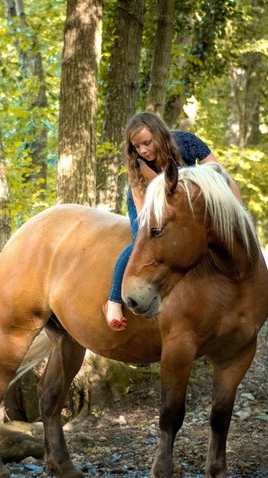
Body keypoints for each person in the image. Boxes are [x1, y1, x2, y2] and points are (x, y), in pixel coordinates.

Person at [103, 112, 244, 331]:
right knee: (141, 242)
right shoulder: (139, 164)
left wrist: (240, 212)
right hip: (148, 203)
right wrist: (149, 227)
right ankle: (113, 301)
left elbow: (220, 176)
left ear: (159, 135)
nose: (142, 151)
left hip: (182, 205)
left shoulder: (186, 142)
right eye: (136, 146)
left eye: (146, 143)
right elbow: (144, 208)